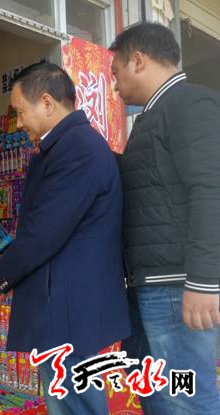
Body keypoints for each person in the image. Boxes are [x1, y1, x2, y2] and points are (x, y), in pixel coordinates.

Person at [0, 62, 131, 414]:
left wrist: (3, 274)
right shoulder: (67, 145)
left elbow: (44, 231)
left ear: (47, 102)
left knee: (74, 403)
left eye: (20, 112)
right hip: (65, 303)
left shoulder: (78, 148)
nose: (18, 123)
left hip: (69, 305)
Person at [110, 22, 220, 414]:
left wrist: (204, 282)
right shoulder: (155, 114)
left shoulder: (189, 104)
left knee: (186, 399)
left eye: (116, 73)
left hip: (177, 287)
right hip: (151, 283)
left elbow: (211, 189)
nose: (115, 86)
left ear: (138, 61)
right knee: (157, 395)